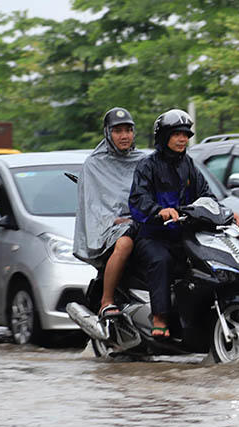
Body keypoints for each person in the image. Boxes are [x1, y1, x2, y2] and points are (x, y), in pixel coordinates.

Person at [129, 109, 216, 338]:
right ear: (164, 136)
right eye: (177, 134)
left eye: (185, 135)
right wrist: (159, 211)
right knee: (162, 260)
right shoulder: (147, 165)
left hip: (184, 236)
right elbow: (138, 199)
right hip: (153, 236)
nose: (182, 139)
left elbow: (206, 195)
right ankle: (159, 317)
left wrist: (225, 212)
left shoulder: (189, 165)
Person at [73, 107, 146, 318]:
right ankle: (107, 300)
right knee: (125, 243)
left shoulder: (144, 161)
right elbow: (91, 207)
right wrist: (114, 220)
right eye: (118, 131)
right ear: (107, 133)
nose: (124, 136)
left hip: (143, 222)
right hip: (110, 228)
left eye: (128, 130)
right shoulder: (94, 165)